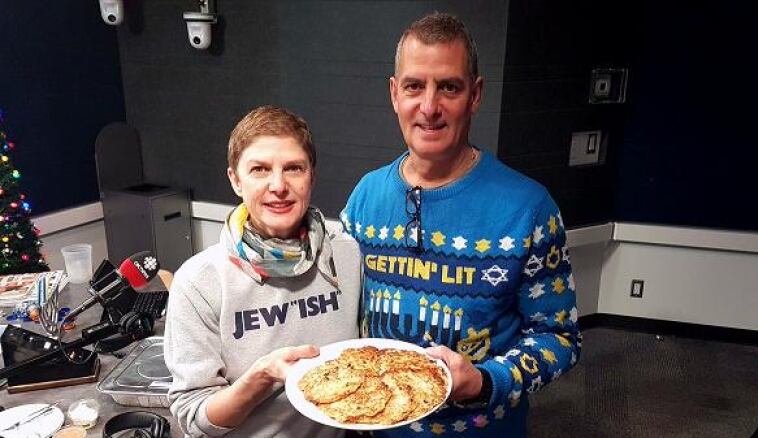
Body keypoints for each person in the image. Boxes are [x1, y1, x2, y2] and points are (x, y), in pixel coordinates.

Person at [340, 12, 581, 437]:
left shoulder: (529, 209)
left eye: (448, 87)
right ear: (395, 94)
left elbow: (559, 338)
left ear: (475, 95)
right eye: (415, 86)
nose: (429, 107)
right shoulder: (364, 198)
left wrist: (486, 381)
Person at [164, 106, 361, 437]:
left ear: (312, 176)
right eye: (259, 169)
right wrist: (262, 376)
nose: (278, 185)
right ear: (235, 180)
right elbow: (194, 416)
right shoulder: (199, 282)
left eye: (294, 168)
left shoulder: (347, 255)